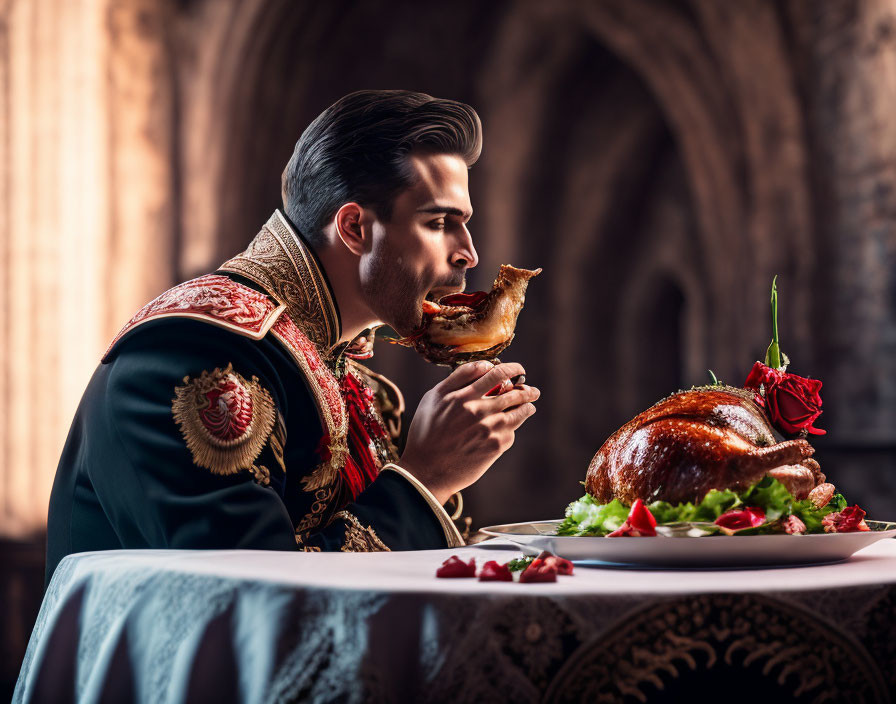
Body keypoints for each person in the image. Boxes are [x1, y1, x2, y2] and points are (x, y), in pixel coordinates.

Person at [45, 90, 540, 584]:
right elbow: (254, 597)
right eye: (439, 222)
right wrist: (426, 477)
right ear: (354, 228)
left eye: (464, 225)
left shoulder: (363, 387)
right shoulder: (194, 350)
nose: (469, 254)